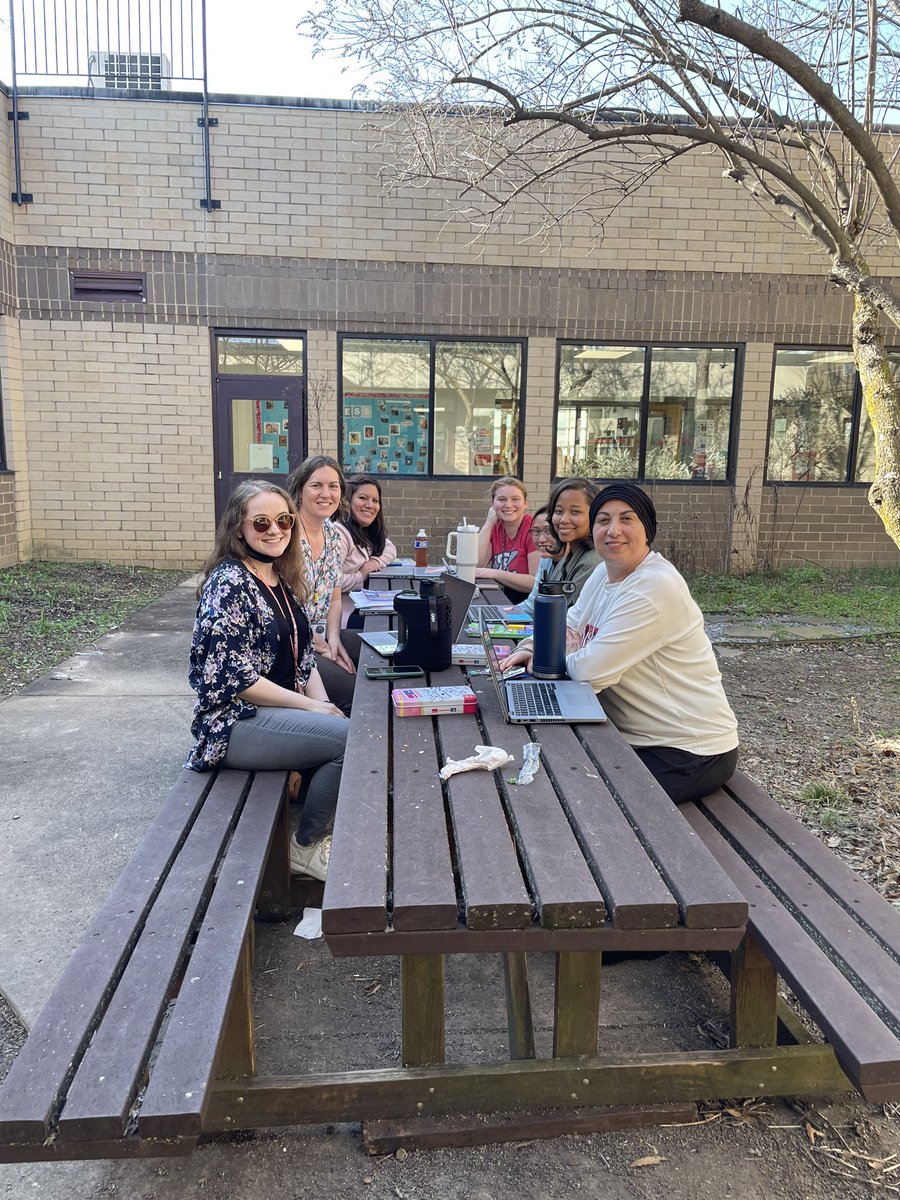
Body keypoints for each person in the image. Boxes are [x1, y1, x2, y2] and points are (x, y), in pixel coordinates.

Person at [504, 483, 738, 804]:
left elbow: (591, 672)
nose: (614, 530)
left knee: (576, 804)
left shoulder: (653, 586)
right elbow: (569, 624)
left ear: (647, 530)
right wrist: (531, 647)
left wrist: (554, 653)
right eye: (603, 520)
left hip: (688, 749)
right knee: (546, 779)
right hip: (638, 737)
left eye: (627, 519)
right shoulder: (604, 573)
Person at [186, 480, 348, 881]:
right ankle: (307, 846)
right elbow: (234, 676)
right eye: (261, 523)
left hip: (272, 712)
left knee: (346, 721)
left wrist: (326, 706)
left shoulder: (279, 576)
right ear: (238, 529)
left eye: (283, 520)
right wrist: (314, 709)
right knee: (348, 739)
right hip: (234, 722)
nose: (275, 530)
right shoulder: (230, 583)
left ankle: (318, 808)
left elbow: (303, 657)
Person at [286, 455, 360, 716]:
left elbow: (336, 598)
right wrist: (324, 648)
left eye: (333, 486)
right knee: (357, 694)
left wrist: (335, 639)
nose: (325, 494)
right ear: (300, 488)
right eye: (316, 485)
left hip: (321, 635)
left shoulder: (331, 533)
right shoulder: (287, 535)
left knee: (377, 652)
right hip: (294, 644)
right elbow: (287, 613)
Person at [335, 474, 397, 628]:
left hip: (361, 606)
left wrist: (374, 562)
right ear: (348, 499)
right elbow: (330, 583)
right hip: (342, 616)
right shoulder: (339, 533)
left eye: (375, 500)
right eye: (363, 498)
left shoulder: (365, 530)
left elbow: (389, 548)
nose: (370, 505)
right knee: (395, 625)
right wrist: (361, 576)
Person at [475, 476, 539, 603]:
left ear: (525, 503)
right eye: (501, 499)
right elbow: (477, 564)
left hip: (528, 604)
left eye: (515, 499)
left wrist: (494, 573)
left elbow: (534, 583)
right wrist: (488, 524)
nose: (508, 505)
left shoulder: (534, 529)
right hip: (502, 598)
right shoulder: (494, 527)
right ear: (493, 504)